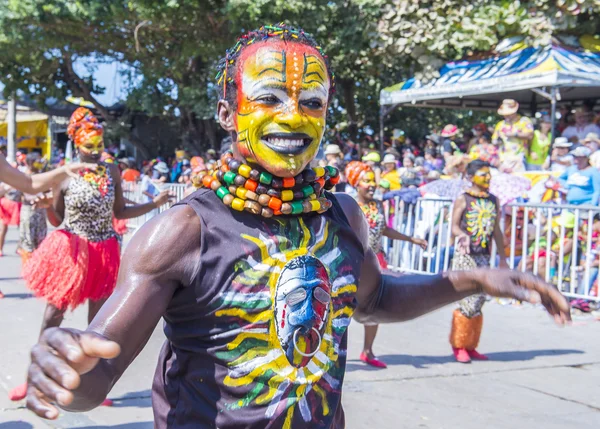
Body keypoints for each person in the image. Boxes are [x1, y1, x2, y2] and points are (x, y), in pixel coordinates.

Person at [24, 25, 570, 428]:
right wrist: (62, 368)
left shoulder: (342, 214)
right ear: (225, 112)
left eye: (311, 102)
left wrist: (474, 280)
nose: (292, 117)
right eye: (268, 97)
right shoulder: (185, 229)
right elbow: (96, 373)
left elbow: (373, 301)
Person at [8, 107, 171, 402]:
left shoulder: (111, 171)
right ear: (76, 144)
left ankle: (92, 384)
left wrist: (154, 203)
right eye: (89, 146)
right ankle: (34, 379)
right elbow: (56, 220)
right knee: (52, 316)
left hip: (104, 252)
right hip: (71, 253)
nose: (95, 152)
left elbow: (120, 212)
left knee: (97, 324)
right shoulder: (65, 175)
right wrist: (46, 205)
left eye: (99, 145)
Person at [346, 161, 427, 368]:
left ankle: (368, 351)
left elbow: (384, 230)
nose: (371, 185)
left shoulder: (377, 205)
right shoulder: (348, 205)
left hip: (376, 263)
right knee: (344, 308)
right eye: (366, 181)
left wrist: (412, 240)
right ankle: (337, 353)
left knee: (374, 306)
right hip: (352, 263)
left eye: (373, 180)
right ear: (356, 184)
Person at [450, 159, 508, 363]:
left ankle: (472, 345)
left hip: (484, 255)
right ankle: (459, 345)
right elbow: (454, 226)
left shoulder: (494, 200)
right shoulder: (463, 199)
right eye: (483, 174)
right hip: (465, 256)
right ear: (470, 177)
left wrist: (502, 258)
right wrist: (461, 235)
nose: (488, 177)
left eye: (489, 173)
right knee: (467, 300)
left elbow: (497, 231)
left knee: (481, 298)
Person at [17, 153, 50, 264]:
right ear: (30, 163)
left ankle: (38, 269)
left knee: (41, 242)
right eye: (37, 161)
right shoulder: (24, 177)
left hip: (40, 213)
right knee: (28, 243)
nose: (39, 164)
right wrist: (38, 197)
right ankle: (28, 270)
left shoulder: (41, 175)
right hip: (29, 212)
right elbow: (26, 194)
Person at [492, 99, 534, 173]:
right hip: (504, 158)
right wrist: (497, 141)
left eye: (509, 114)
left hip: (519, 158)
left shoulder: (524, 121)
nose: (506, 116)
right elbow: (494, 140)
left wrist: (515, 135)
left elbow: (530, 135)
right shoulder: (500, 124)